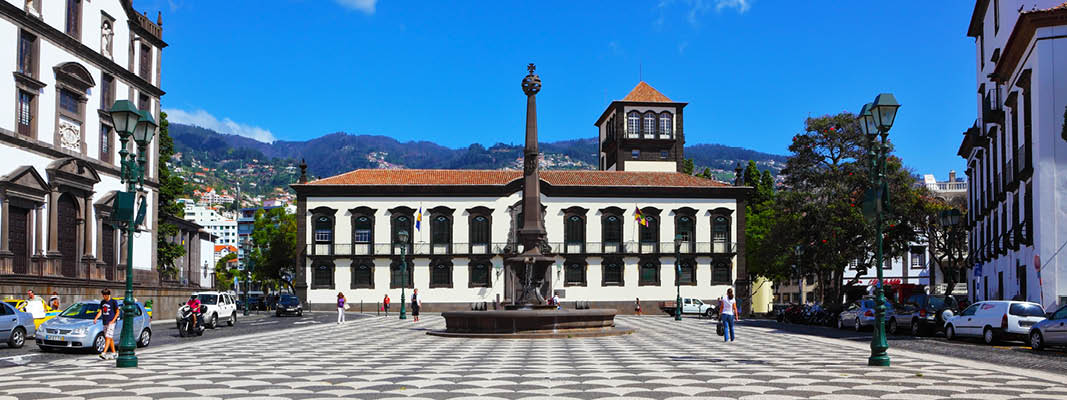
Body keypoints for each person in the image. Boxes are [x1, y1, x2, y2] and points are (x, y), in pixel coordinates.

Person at [92, 289, 120, 360]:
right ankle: (114, 353)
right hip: (105, 322)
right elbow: (101, 311)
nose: (104, 296)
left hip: (111, 322)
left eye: (105, 295)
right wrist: (95, 318)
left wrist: (113, 320)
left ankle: (104, 353)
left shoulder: (113, 302)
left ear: (108, 295)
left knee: (107, 337)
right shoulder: (102, 302)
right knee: (109, 338)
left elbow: (117, 312)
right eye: (103, 295)